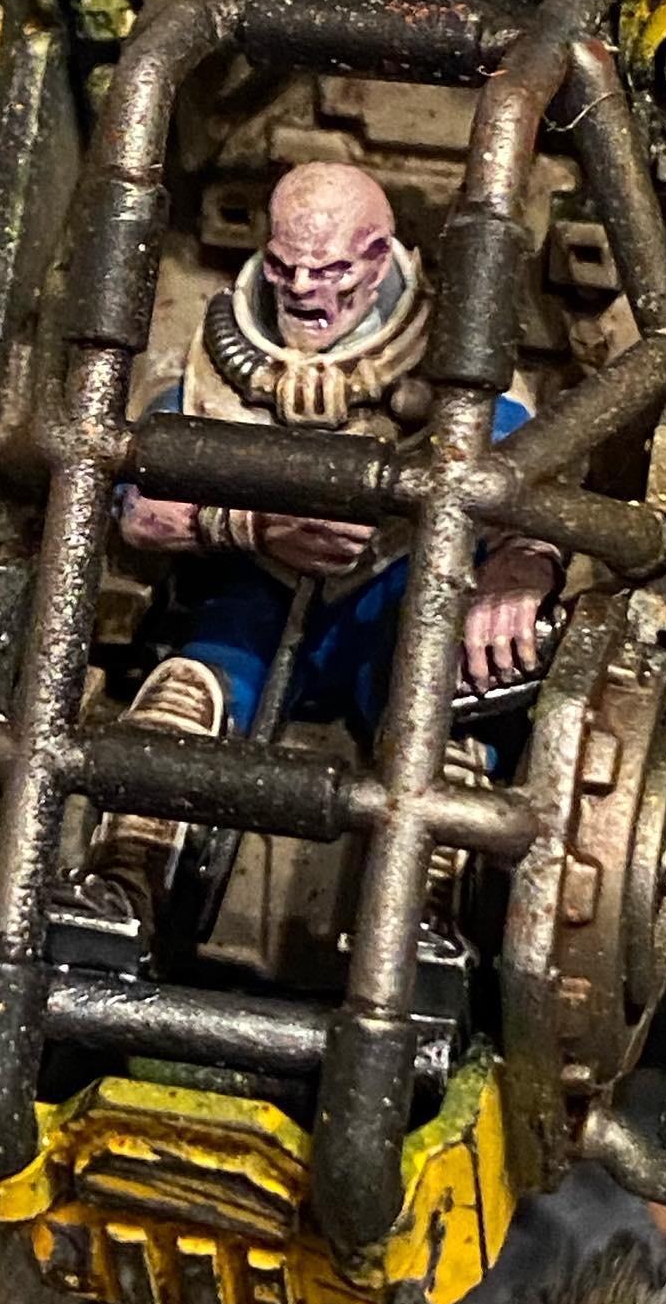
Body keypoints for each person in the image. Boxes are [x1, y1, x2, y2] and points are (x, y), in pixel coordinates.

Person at [79, 161, 559, 935]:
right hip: (256, 598)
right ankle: (125, 881)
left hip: (401, 600)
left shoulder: (458, 363)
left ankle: (423, 919)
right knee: (186, 695)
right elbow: (140, 506)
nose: (303, 289)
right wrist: (255, 526)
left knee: (442, 717)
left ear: (378, 256)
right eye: (284, 266)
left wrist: (518, 567)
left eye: (330, 270)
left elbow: (530, 486)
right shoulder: (213, 367)